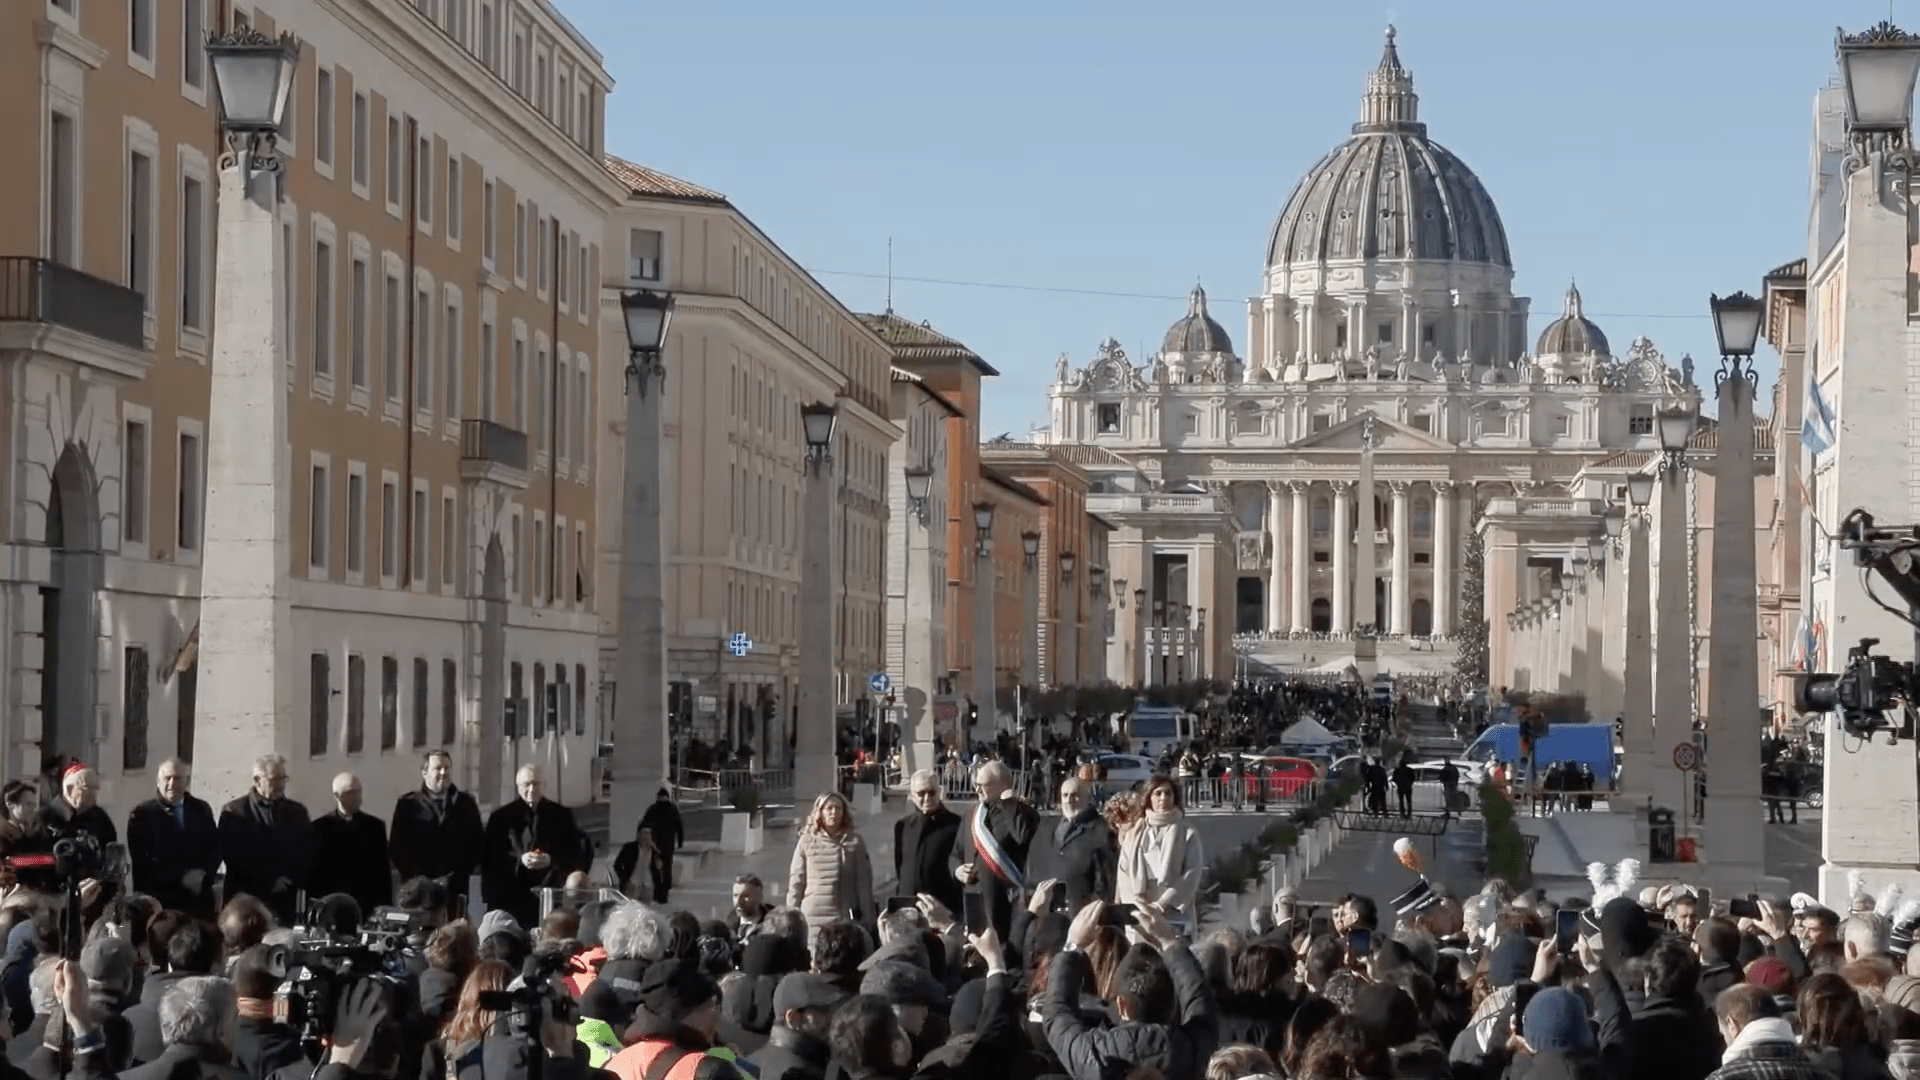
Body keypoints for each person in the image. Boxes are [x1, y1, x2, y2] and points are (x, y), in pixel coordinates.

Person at [482, 765, 588, 927]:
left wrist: (551, 859)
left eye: (536, 784)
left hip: (551, 890)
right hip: (512, 890)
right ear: (518, 786)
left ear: (544, 785)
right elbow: (492, 856)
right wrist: (520, 860)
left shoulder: (561, 815)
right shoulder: (501, 817)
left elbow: (575, 851)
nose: (531, 789)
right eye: (527, 784)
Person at [216, 754, 317, 924]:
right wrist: (269, 881)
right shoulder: (235, 812)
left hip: (286, 900)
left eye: (283, 779)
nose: (281, 785)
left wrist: (288, 878)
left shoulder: (297, 812)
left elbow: (308, 851)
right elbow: (233, 855)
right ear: (257, 780)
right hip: (247, 900)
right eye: (275, 779)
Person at [389, 750, 486, 912]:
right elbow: (397, 847)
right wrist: (422, 880)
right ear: (424, 772)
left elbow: (476, 846)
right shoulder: (408, 805)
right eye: (438, 768)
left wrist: (452, 878)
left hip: (454, 890)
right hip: (417, 893)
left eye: (447, 768)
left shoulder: (465, 804)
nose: (443, 773)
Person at [952, 761, 1038, 939]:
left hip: (1005, 902)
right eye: (976, 785)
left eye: (983, 785)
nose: (977, 790)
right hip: (973, 901)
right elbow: (955, 854)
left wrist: (1010, 802)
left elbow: (1022, 837)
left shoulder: (1023, 813)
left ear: (1003, 784)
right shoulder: (971, 815)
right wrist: (957, 870)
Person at [125, 758, 222, 918]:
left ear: (187, 781)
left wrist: (203, 874)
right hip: (161, 900)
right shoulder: (142, 814)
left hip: (198, 898)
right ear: (158, 782)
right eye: (167, 778)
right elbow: (144, 859)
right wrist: (183, 877)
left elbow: (214, 847)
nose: (171, 784)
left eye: (177, 778)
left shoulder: (200, 809)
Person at [1115, 776, 1203, 927]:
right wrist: (1139, 903)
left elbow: (1192, 872)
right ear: (1149, 798)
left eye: (1168, 793)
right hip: (1141, 910)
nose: (1163, 798)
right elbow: (1124, 872)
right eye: (1158, 793)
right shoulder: (1134, 833)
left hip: (1173, 909)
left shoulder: (1187, 832)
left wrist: (1162, 904)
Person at [787, 793, 874, 932]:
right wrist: (791, 916)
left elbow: (864, 884)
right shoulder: (806, 841)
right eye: (829, 808)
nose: (834, 812)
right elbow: (796, 882)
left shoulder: (855, 842)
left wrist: (868, 919)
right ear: (820, 812)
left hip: (843, 916)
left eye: (838, 808)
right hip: (813, 916)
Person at [310, 773, 394, 917]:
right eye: (351, 792)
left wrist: (385, 906)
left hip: (367, 905)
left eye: (359, 791)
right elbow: (315, 873)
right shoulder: (319, 828)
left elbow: (383, 871)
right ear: (337, 796)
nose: (357, 797)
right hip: (332, 906)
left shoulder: (374, 827)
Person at [893, 771, 962, 917]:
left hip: (942, 909)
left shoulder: (956, 825)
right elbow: (899, 865)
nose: (927, 798)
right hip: (907, 908)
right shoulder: (903, 826)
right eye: (921, 793)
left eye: (931, 792)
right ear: (912, 795)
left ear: (940, 792)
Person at [1050, 777, 1116, 910]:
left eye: (1075, 795)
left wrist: (1096, 905)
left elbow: (1107, 875)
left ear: (1087, 799)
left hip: (1084, 907)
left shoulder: (1101, 829)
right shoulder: (1058, 827)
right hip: (1056, 906)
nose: (1069, 800)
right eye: (1065, 795)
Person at [634, 788, 685, 904]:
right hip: (668, 844)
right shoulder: (672, 809)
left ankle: (658, 892)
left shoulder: (653, 809)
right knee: (666, 867)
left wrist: (641, 837)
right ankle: (665, 891)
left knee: (655, 869)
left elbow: (643, 824)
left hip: (654, 844)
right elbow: (679, 826)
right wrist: (680, 841)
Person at [45, 765, 115, 847]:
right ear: (69, 789)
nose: (93, 794)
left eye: (95, 788)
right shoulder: (47, 818)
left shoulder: (99, 816)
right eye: (87, 788)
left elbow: (111, 847)